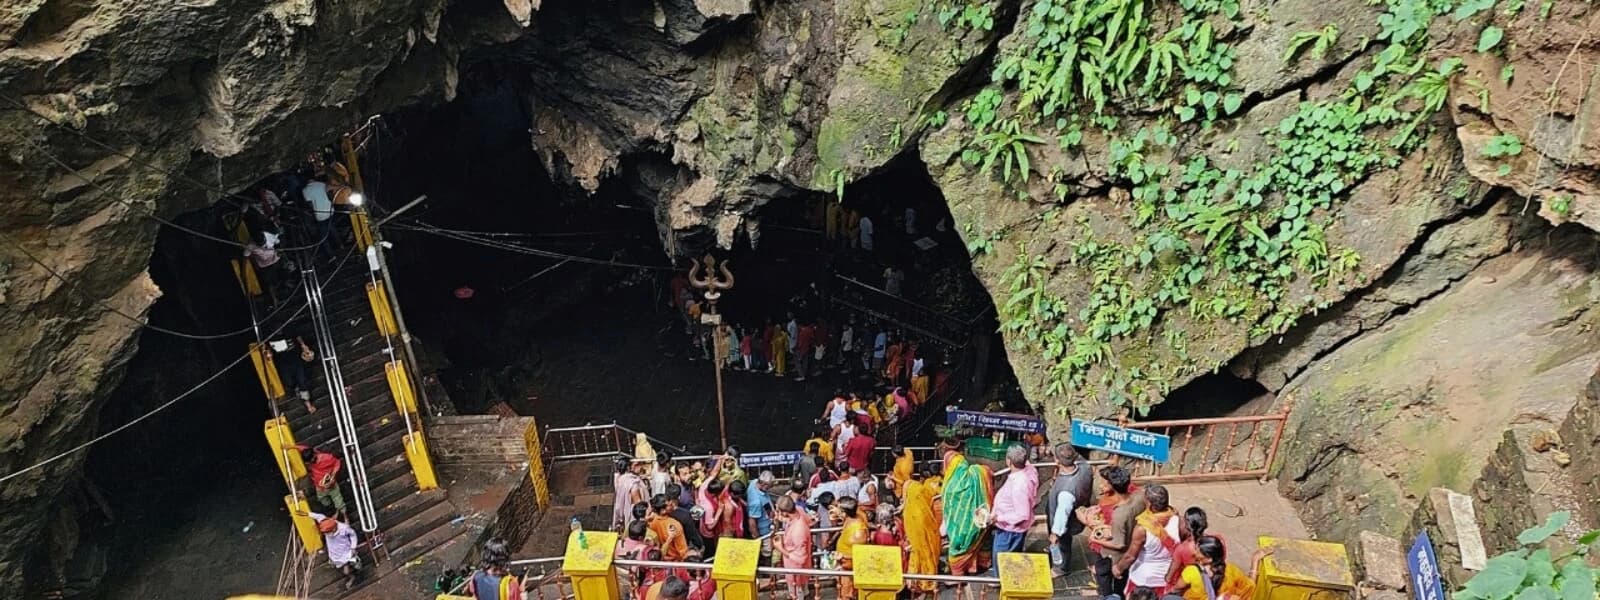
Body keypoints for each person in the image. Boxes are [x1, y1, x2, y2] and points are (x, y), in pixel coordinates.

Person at [941, 439, 995, 576]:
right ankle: (980, 565)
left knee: (958, 543)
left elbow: (948, 508)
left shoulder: (948, 487)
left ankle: (958, 574)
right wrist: (983, 470)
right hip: (974, 521)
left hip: (957, 524)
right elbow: (984, 473)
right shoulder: (975, 475)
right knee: (980, 538)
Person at [1115, 484, 1179, 596]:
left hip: (1144, 578)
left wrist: (1118, 568)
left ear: (1149, 504)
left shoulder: (1142, 529)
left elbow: (1130, 556)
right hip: (1168, 574)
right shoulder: (1177, 520)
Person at [1095, 466, 1148, 599]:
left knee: (1104, 575)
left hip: (1115, 556)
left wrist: (1096, 540)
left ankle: (1108, 596)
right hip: (1133, 546)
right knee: (1122, 582)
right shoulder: (1139, 497)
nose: (1101, 485)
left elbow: (1119, 544)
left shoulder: (1119, 514)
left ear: (1113, 486)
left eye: (1105, 482)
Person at [1047, 444, 1094, 575]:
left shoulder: (1066, 493)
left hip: (1068, 517)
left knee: (1063, 541)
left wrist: (1055, 534)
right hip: (1079, 503)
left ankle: (1061, 567)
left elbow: (1062, 514)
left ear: (1057, 460)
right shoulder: (1085, 467)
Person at [1168, 536, 1264, 600]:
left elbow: (1176, 588)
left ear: (1209, 559)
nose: (1194, 553)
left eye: (1198, 551)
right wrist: (1255, 561)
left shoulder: (1192, 572)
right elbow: (1249, 586)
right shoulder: (1231, 570)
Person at [990, 445, 1039, 561]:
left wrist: (998, 518)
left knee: (1002, 560)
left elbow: (1022, 514)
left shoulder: (1020, 485)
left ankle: (1000, 579)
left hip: (1010, 530)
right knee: (1012, 557)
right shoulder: (1029, 469)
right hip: (1012, 528)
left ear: (1009, 461)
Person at [902, 468, 940, 597]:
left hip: (912, 529)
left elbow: (904, 501)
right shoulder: (926, 492)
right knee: (927, 552)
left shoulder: (910, 486)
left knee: (915, 554)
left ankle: (913, 583)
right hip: (924, 529)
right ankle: (926, 581)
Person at [1167, 507, 1226, 588]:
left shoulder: (1181, 549)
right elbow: (1221, 561)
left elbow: (1170, 577)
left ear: (1186, 525)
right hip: (1215, 582)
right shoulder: (1217, 540)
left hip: (1190, 585)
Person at [773, 495, 813, 600]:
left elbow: (800, 559)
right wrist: (780, 518)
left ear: (785, 512)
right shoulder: (798, 511)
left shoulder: (798, 531)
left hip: (796, 570)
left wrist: (780, 548)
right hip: (798, 567)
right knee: (802, 589)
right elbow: (809, 520)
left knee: (797, 592)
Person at [308, 512, 361, 590]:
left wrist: (353, 547)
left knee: (348, 570)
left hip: (345, 553)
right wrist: (306, 513)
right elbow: (318, 516)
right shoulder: (325, 521)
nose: (326, 535)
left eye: (328, 533)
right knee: (335, 563)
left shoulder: (344, 528)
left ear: (333, 529)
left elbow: (353, 535)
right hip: (334, 554)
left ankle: (353, 576)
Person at [833, 496, 869, 600]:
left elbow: (859, 555)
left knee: (848, 594)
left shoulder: (858, 532)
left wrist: (842, 557)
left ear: (844, 512)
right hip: (843, 565)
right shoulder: (850, 518)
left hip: (850, 569)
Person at [273, 334, 318, 414]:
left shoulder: (287, 329)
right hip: (282, 360)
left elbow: (297, 334)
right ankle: (297, 390)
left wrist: (303, 345)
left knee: (302, 380)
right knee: (289, 382)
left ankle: (308, 403)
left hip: (294, 356)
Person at [299, 445, 346, 515]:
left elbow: (337, 462)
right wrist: (290, 446)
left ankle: (344, 516)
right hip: (319, 487)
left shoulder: (326, 458)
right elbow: (303, 448)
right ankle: (334, 509)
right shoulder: (310, 461)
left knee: (339, 501)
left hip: (330, 485)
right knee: (323, 500)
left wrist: (333, 477)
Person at [302, 176, 338, 263]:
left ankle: (331, 255)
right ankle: (340, 245)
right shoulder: (322, 184)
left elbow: (310, 204)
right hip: (330, 210)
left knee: (323, 237)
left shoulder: (305, 190)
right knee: (332, 228)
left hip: (320, 215)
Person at [648, 494, 690, 561]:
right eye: (670, 505)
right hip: (674, 560)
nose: (673, 505)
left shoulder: (651, 522)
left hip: (659, 558)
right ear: (663, 510)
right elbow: (682, 551)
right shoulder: (675, 525)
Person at [747, 471, 777, 563]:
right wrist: (757, 538)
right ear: (764, 484)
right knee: (767, 552)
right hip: (764, 531)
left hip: (767, 519)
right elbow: (752, 522)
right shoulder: (756, 501)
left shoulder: (754, 482)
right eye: (770, 485)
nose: (771, 488)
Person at [614, 457, 649, 531]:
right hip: (634, 513)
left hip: (624, 509)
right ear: (628, 468)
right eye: (635, 465)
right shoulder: (633, 483)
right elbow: (638, 502)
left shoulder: (619, 479)